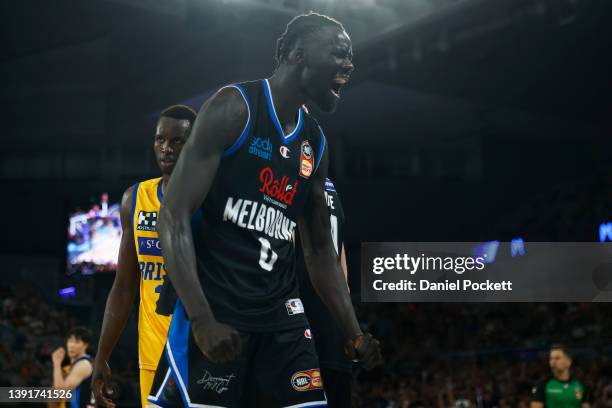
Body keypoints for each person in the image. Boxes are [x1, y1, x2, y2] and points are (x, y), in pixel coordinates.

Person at [149, 11, 382, 408]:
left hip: (281, 319)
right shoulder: (234, 108)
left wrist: (352, 331)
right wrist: (201, 318)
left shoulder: (314, 143)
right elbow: (172, 215)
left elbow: (321, 251)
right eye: (340, 53)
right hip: (219, 312)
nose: (349, 64)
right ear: (299, 54)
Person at [92, 105, 197, 408]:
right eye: (160, 139)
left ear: (195, 143)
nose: (166, 148)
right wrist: (101, 356)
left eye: (177, 141)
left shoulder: (213, 198)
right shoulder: (134, 199)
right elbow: (123, 288)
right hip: (153, 356)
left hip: (202, 354)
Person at [296, 177, 352, 407]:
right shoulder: (330, 188)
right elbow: (343, 274)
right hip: (336, 328)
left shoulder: (288, 180)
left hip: (298, 328)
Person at [51, 327, 94, 408]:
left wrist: (57, 364)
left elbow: (61, 394)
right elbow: (53, 400)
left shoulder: (83, 364)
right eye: (70, 341)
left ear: (86, 345)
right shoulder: (71, 367)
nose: (71, 345)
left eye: (77, 342)